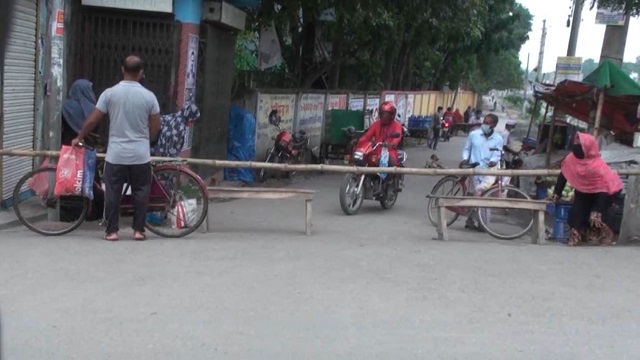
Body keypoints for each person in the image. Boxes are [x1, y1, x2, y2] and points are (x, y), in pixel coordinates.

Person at [73, 55, 161, 241]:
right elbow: (155, 127)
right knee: (141, 191)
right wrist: (149, 140)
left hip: (116, 154)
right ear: (141, 73)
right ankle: (138, 231)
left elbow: (94, 119)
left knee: (113, 192)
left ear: (122, 70)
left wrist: (79, 136)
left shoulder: (109, 94)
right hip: (140, 154)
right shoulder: (149, 97)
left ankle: (112, 231)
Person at [551, 132, 623, 246]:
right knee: (576, 211)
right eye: (576, 142)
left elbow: (604, 189)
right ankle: (577, 235)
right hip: (583, 188)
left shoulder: (597, 167)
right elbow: (563, 174)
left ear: (588, 148)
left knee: (597, 215)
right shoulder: (571, 158)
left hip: (606, 192)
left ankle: (603, 237)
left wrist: (597, 209)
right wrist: (557, 193)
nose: (576, 145)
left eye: (580, 144)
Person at [61, 79, 104, 221]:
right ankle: (94, 212)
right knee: (91, 179)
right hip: (87, 149)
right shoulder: (94, 109)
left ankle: (68, 212)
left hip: (69, 149)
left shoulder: (66, 106)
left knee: (69, 178)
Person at [461, 113, 504, 231]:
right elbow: (467, 149)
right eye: (484, 122)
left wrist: (494, 161)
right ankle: (477, 221)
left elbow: (497, 153)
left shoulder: (498, 139)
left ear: (494, 125)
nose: (484, 125)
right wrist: (465, 158)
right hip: (475, 169)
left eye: (487, 123)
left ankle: (478, 221)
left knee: (481, 191)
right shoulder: (473, 135)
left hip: (490, 170)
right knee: (479, 193)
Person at [356, 101, 403, 167]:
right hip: (376, 150)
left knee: (388, 163)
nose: (384, 116)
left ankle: (387, 177)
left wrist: (392, 143)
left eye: (387, 114)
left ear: (392, 115)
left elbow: (397, 137)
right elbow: (367, 136)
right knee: (363, 158)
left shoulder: (397, 125)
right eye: (383, 114)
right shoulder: (376, 124)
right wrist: (360, 141)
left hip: (390, 151)